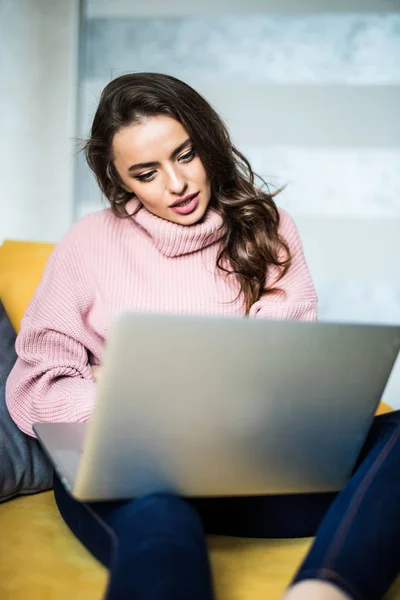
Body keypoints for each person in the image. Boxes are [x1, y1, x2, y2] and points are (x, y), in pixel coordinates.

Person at [6, 72, 399, 600]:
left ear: (206, 140)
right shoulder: (86, 245)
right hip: (128, 470)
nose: (176, 184)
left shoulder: (268, 225)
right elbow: (38, 386)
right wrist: (124, 402)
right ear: (119, 179)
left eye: (185, 155)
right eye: (146, 173)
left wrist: (130, 375)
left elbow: (280, 368)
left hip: (252, 468)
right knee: (159, 517)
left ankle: (325, 591)